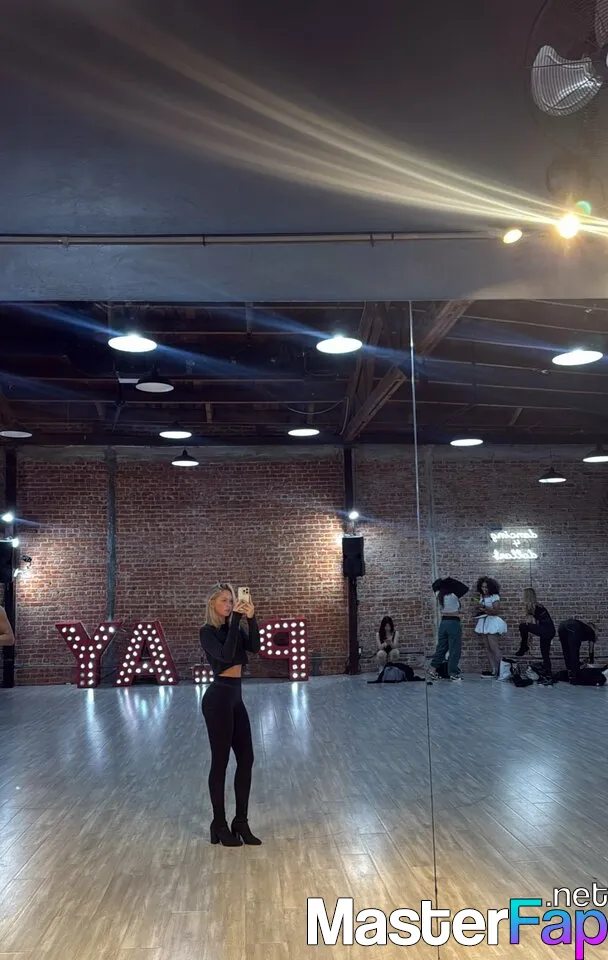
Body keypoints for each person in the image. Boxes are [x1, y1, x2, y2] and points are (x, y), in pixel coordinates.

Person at [199, 583, 262, 847]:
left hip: (236, 697)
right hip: (218, 699)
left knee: (246, 759)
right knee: (221, 761)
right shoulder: (208, 632)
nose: (229, 604)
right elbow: (225, 656)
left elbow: (255, 647)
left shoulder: (231, 627)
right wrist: (236, 619)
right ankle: (219, 824)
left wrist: (251, 618)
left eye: (231, 600)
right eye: (224, 600)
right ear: (212, 604)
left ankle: (241, 821)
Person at [428, 577, 469, 682]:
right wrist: (449, 580)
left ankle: (432, 669)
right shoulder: (453, 595)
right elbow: (465, 588)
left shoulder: (438, 595)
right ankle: (453, 673)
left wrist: (444, 581)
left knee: (441, 648)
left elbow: (435, 586)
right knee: (454, 649)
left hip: (443, 624)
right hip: (453, 623)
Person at [515, 588, 555, 672]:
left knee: (522, 626)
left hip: (546, 630)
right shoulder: (536, 606)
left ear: (527, 596)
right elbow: (531, 624)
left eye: (524, 595)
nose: (522, 597)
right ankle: (548, 672)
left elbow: (528, 624)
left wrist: (527, 639)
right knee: (545, 654)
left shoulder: (535, 606)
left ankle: (523, 647)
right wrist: (529, 636)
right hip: (548, 631)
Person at [475, 577, 508, 677]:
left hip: (492, 622)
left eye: (486, 587)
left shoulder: (494, 596)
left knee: (494, 647)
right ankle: (494, 670)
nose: (484, 589)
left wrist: (484, 607)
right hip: (483, 622)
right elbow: (484, 609)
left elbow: (496, 611)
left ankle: (502, 671)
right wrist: (480, 608)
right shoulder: (481, 596)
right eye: (482, 587)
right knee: (487, 648)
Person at [557, 618, 597, 682]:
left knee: (566, 651)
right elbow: (591, 648)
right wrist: (591, 659)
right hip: (572, 627)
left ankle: (570, 672)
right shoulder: (591, 631)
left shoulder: (582, 628)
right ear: (593, 628)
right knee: (574, 652)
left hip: (561, 626)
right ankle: (575, 676)